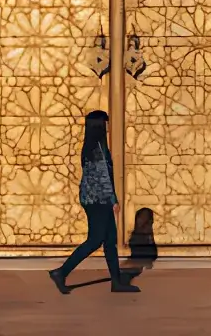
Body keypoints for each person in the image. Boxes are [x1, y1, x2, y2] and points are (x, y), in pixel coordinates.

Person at [48, 110, 140, 294]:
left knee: (109, 240)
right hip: (98, 200)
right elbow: (103, 178)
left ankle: (116, 282)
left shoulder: (90, 146)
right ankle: (61, 272)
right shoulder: (97, 149)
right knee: (96, 240)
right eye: (105, 124)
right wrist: (113, 200)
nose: (107, 127)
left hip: (92, 198)